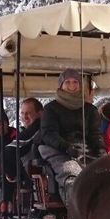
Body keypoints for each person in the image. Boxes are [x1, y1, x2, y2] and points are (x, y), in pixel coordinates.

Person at [39, 69, 102, 204]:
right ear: (61, 85)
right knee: (72, 174)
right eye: (67, 82)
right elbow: (48, 133)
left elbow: (95, 134)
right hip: (58, 150)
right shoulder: (51, 109)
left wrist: (100, 150)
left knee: (104, 172)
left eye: (75, 82)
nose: (72, 86)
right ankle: (74, 207)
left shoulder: (90, 109)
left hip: (85, 149)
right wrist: (67, 147)